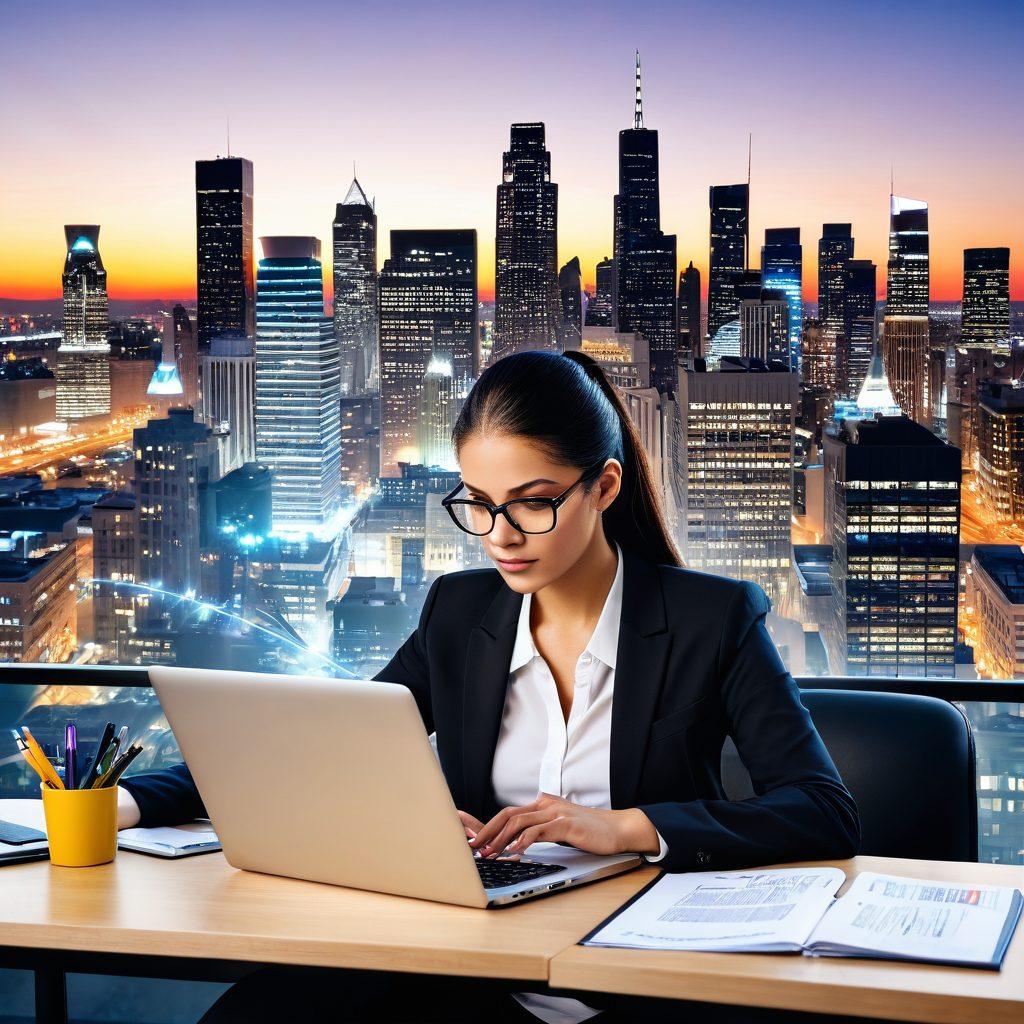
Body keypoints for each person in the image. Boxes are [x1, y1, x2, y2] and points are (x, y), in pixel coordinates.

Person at [117, 350, 860, 1023]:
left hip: (639, 982)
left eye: (532, 502)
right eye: (478, 500)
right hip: (474, 974)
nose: (498, 534)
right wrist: (134, 799)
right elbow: (323, 746)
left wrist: (627, 828)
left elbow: (822, 810)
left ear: (603, 487)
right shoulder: (460, 614)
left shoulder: (711, 619)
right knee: (251, 1017)